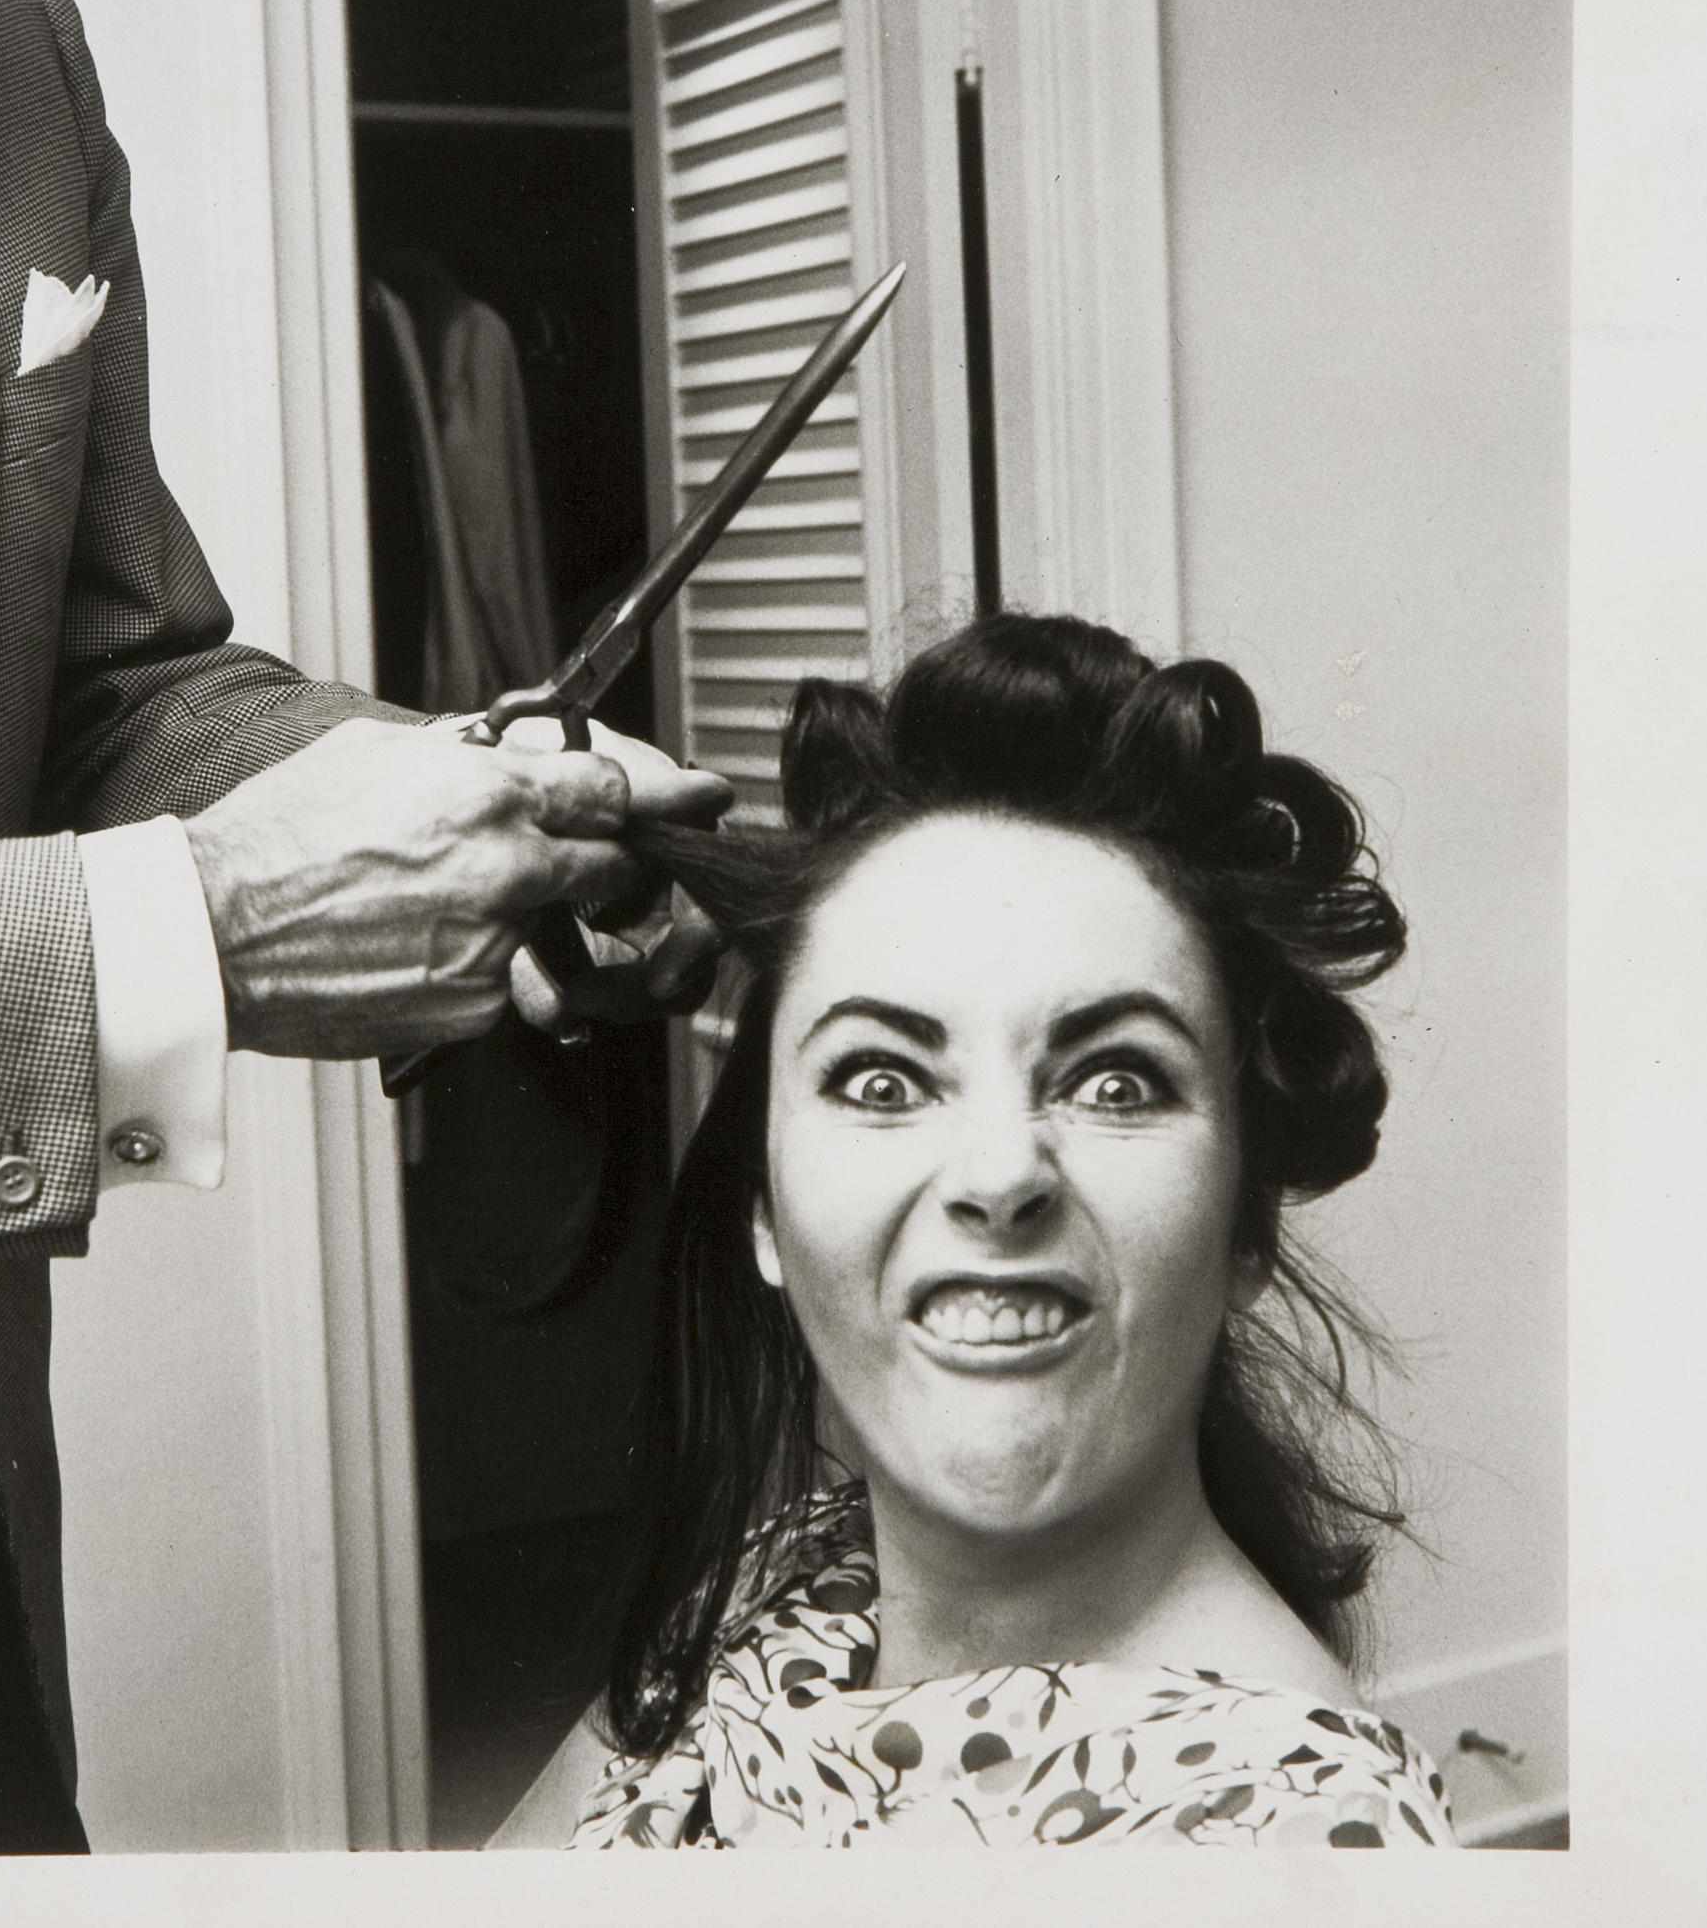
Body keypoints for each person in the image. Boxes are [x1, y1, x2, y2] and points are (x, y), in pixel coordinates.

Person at [0, 0, 728, 1856]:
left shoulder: (1, 48)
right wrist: (201, 939)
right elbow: (164, 891)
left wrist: (446, 796)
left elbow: (106, 675)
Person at [496, 614, 1456, 1849]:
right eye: (882, 1081)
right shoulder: (781, 1584)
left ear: (1246, 1226)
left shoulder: (1305, 1838)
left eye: (1116, 1082)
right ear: (763, 1212)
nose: (1002, 1174)